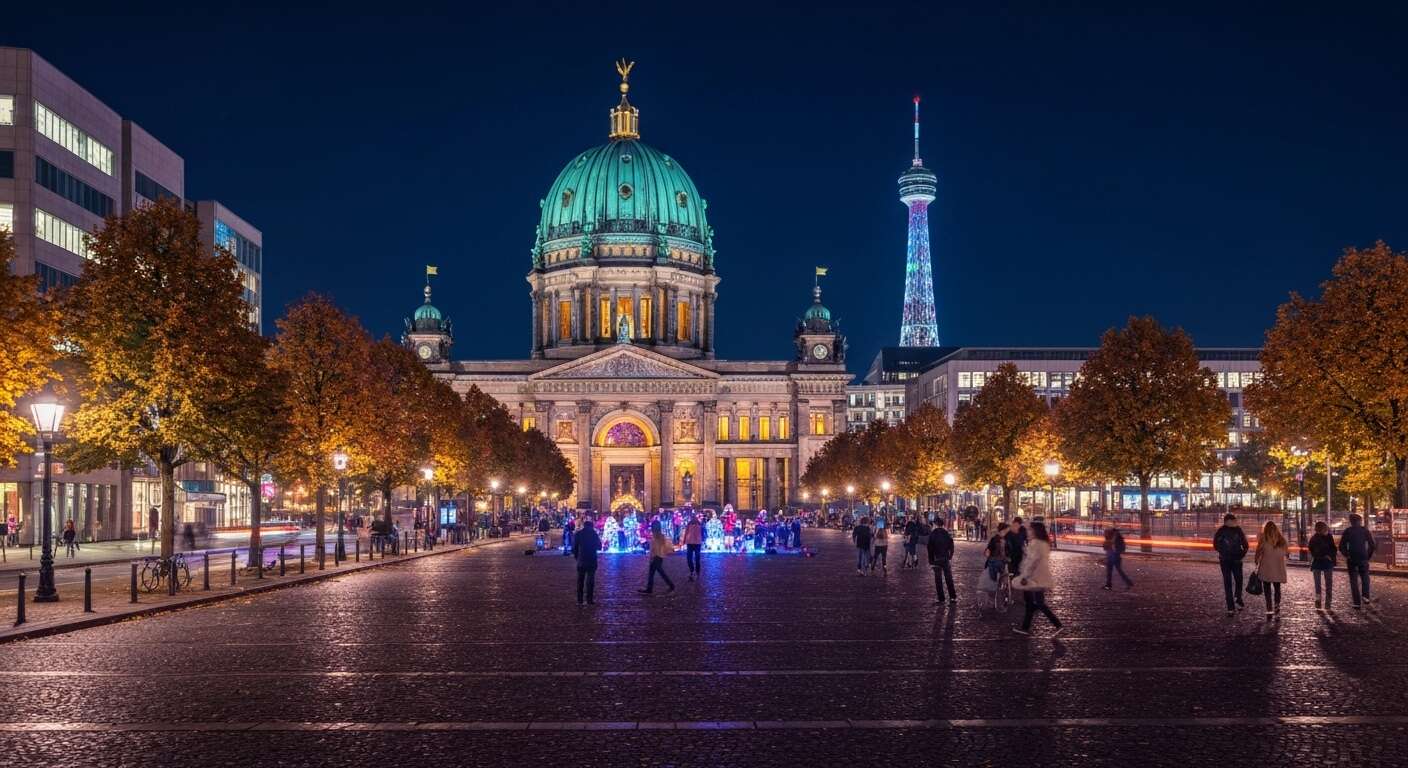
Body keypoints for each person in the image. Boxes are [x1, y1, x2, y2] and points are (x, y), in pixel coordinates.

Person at [1013, 521, 1062, 636]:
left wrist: (1024, 576)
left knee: (1039, 603)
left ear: (1035, 531)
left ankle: (1058, 624)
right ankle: (1025, 627)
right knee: (1031, 603)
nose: (1028, 532)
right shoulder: (1044, 543)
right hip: (1041, 577)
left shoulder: (1035, 543)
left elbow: (1032, 562)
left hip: (1035, 578)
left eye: (1030, 530)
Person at [1213, 513, 1249, 616]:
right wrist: (1240, 555)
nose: (1235, 522)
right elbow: (1246, 545)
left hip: (1225, 560)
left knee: (1227, 583)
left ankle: (1231, 607)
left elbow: (1215, 545)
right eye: (1234, 520)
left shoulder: (1221, 531)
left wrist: (1222, 552)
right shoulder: (1238, 530)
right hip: (1235, 560)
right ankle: (1237, 598)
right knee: (1238, 580)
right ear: (1229, 521)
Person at [1338, 513, 1377, 609]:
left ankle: (1356, 602)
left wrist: (1347, 555)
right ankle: (1365, 596)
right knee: (1365, 578)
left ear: (1351, 521)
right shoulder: (1365, 531)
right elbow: (1372, 545)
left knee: (1353, 580)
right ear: (1360, 521)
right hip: (1363, 557)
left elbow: (1341, 546)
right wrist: (1368, 555)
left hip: (1352, 557)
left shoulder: (1348, 531)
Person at [1254, 520, 1288, 619]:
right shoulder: (1281, 539)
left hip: (1266, 567)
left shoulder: (1263, 539)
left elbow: (1258, 551)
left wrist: (1256, 560)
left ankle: (1269, 608)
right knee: (1277, 588)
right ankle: (1277, 605)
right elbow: (1286, 552)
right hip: (1278, 567)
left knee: (1267, 588)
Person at [639, 520, 676, 594]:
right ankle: (650, 588)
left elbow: (653, 549)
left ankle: (670, 585)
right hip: (660, 556)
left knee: (658, 572)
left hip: (655, 556)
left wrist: (651, 557)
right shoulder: (661, 536)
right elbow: (665, 546)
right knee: (653, 573)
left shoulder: (655, 537)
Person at [1308, 521, 1337, 609]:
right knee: (1327, 584)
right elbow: (1333, 549)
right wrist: (1328, 556)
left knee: (1319, 585)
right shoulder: (1325, 537)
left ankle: (1320, 601)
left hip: (1318, 562)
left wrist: (1326, 555)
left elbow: (1312, 551)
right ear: (1323, 529)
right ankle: (1326, 603)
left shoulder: (1314, 538)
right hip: (1325, 563)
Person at [571, 518, 601, 606]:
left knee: (580, 580)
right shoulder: (594, 534)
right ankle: (589, 599)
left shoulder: (579, 534)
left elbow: (574, 548)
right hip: (591, 559)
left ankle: (579, 600)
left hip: (581, 559)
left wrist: (577, 557)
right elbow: (599, 546)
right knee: (590, 580)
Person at [927, 517, 956, 604]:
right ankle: (952, 597)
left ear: (935, 524)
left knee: (938, 580)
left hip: (936, 559)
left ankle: (941, 599)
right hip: (945, 558)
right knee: (949, 578)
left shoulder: (933, 534)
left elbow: (930, 548)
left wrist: (931, 560)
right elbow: (951, 545)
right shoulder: (946, 533)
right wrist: (950, 556)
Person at [683, 514, 703, 580]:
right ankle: (692, 570)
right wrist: (684, 540)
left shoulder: (699, 524)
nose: (693, 519)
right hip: (690, 543)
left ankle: (697, 572)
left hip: (697, 543)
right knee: (689, 558)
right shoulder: (689, 524)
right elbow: (686, 532)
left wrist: (702, 539)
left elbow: (702, 532)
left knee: (697, 558)